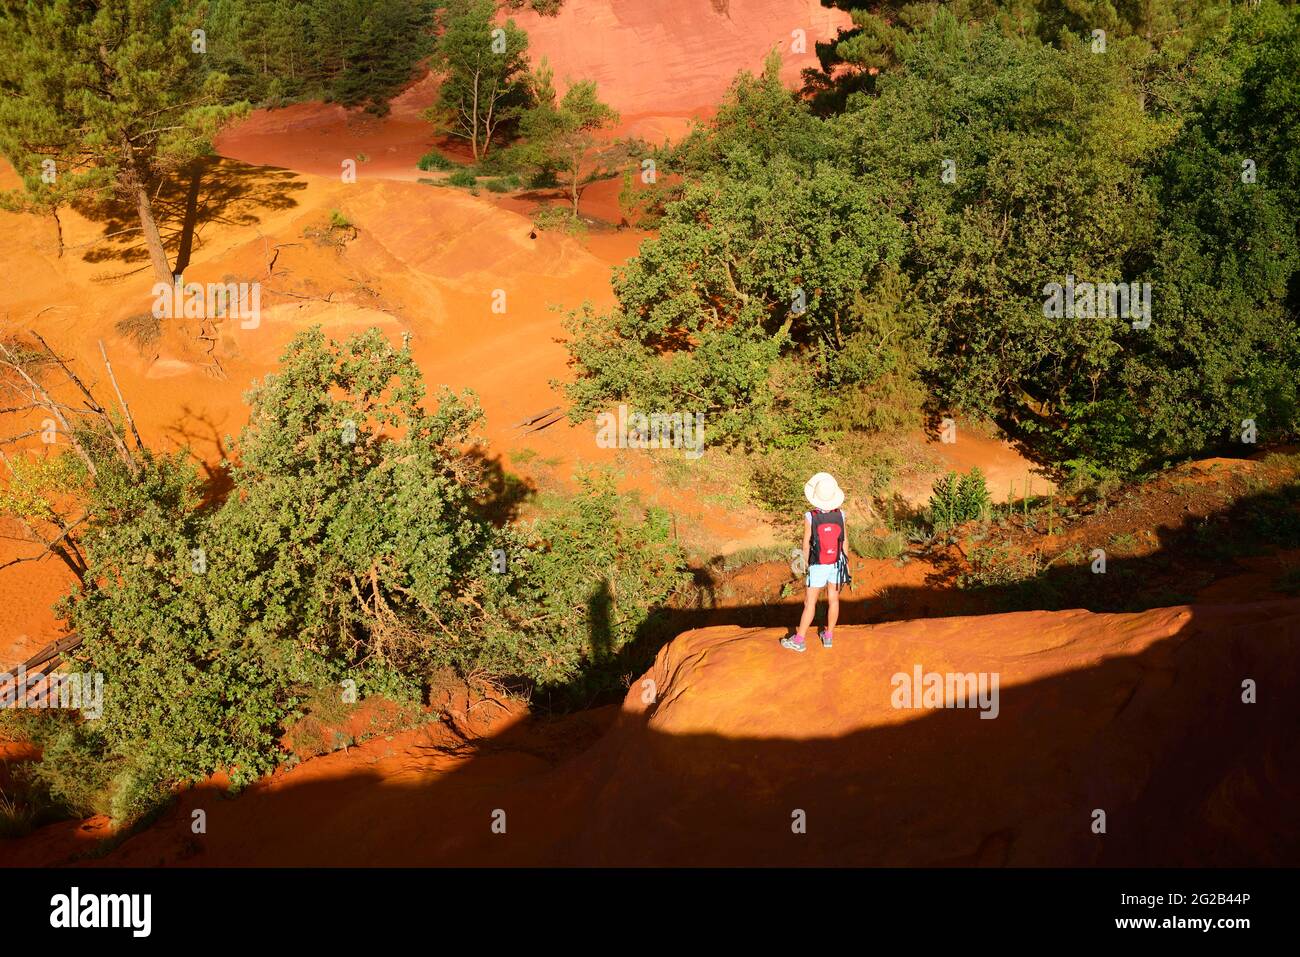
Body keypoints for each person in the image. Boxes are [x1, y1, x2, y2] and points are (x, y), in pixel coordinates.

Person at [781, 473, 850, 652]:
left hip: (818, 563)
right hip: (837, 562)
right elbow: (845, 540)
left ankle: (799, 640)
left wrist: (805, 562)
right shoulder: (841, 514)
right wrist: (846, 563)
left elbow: (806, 542)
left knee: (809, 602)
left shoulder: (810, 516)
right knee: (833, 600)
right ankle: (828, 637)